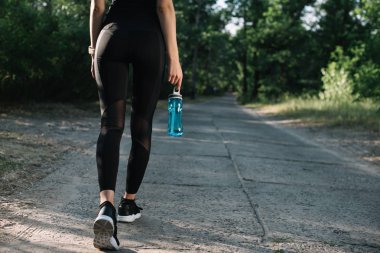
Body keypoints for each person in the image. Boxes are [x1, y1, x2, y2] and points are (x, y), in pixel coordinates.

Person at [89, 0, 183, 250]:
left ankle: (106, 207)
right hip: (149, 40)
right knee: (142, 124)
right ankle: (128, 203)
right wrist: (174, 58)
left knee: (110, 124)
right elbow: (165, 8)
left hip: (111, 36)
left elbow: (97, 7)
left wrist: (93, 49)